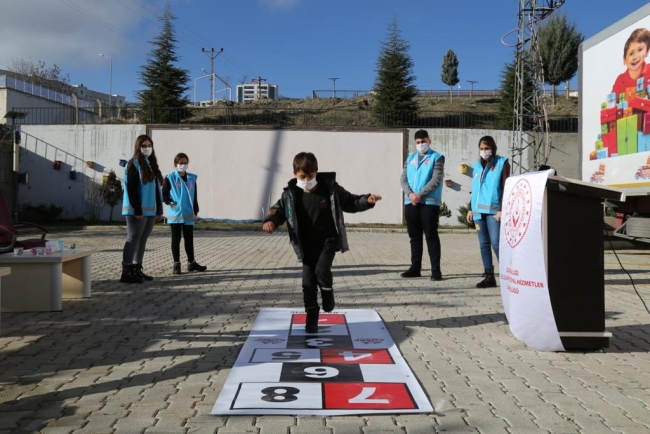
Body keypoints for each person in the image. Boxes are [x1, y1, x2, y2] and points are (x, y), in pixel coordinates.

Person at [262, 152, 382, 333]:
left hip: (328, 239)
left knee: (322, 270)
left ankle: (327, 292)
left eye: (310, 176)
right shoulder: (290, 193)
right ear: (295, 174)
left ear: (316, 172)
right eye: (302, 176)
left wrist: (367, 200)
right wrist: (270, 221)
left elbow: (351, 201)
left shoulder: (330, 188)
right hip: (305, 244)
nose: (306, 180)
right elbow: (278, 210)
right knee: (308, 282)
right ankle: (311, 318)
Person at [400, 129, 445, 281]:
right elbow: (403, 180)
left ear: (429, 141)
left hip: (429, 203)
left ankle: (435, 271)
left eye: (423, 141)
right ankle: (415, 268)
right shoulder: (410, 158)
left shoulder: (437, 157)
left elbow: (436, 179)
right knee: (414, 237)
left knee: (431, 236)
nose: (421, 144)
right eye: (418, 142)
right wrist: (411, 195)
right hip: (411, 201)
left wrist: (419, 194)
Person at [466, 136, 510, 288]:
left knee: (496, 244)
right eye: (482, 149)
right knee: (483, 244)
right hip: (478, 212)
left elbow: (506, 187)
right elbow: (475, 190)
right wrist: (470, 209)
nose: (484, 152)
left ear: (493, 148)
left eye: (487, 148)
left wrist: (501, 209)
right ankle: (489, 276)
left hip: (494, 212)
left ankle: (507, 276)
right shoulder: (477, 166)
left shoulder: (502, 163)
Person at [121, 134, 164, 284]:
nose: (147, 148)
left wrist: (159, 209)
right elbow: (131, 188)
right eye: (144, 145)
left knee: (142, 240)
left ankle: (137, 269)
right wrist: (137, 209)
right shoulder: (133, 164)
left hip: (150, 211)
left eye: (149, 145)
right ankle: (126, 271)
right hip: (136, 211)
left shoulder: (150, 164)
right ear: (138, 147)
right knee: (133, 239)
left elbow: (156, 190)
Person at [162, 152, 207, 275]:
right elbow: (164, 194)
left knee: (189, 239)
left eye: (185, 163)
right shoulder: (170, 177)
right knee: (176, 239)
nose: (183, 165)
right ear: (176, 164)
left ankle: (191, 263)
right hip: (175, 213)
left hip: (188, 213)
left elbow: (194, 196)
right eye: (180, 163)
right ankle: (176, 264)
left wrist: (196, 211)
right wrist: (170, 202)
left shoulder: (192, 178)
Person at [611, 28, 650, 98]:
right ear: (624, 60)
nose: (635, 57)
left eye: (640, 49)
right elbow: (613, 103)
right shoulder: (620, 80)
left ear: (647, 52)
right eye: (631, 53)